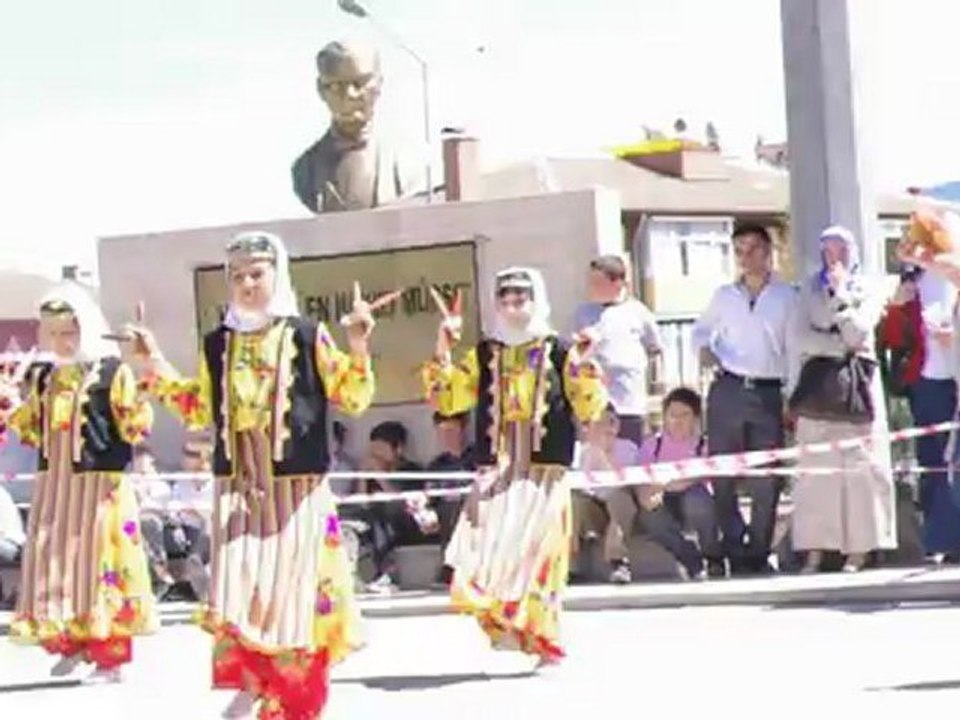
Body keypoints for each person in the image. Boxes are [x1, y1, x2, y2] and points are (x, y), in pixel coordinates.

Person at [127, 230, 376, 720]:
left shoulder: (307, 334)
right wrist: (151, 362)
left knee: (292, 592)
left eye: (256, 274)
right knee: (239, 583)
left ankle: (285, 690)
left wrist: (359, 344)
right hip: (240, 482)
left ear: (277, 275)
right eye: (237, 276)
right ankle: (251, 680)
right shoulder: (218, 343)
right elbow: (198, 404)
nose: (246, 284)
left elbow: (352, 396)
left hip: (296, 486)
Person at [421, 266, 607, 666]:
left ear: (536, 298)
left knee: (540, 556)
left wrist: (586, 363)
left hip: (544, 472)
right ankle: (509, 627)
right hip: (499, 472)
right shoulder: (485, 353)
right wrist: (443, 346)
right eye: (504, 297)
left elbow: (588, 405)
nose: (511, 304)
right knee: (483, 552)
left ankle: (545, 638)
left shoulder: (560, 351)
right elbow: (448, 401)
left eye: (520, 296)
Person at [0, 282, 157, 683]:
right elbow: (33, 430)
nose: (60, 341)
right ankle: (71, 641)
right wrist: (10, 405)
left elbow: (136, 426)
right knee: (57, 564)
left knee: (103, 565)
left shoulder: (110, 372)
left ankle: (110, 656)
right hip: (57, 483)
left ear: (85, 328)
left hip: (99, 483)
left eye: (68, 331)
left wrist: (143, 383)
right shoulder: (43, 378)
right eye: (51, 332)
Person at [788, 225, 896, 573]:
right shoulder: (807, 288)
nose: (833, 257)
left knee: (860, 470)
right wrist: (838, 346)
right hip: (818, 386)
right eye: (827, 250)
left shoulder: (871, 287)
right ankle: (816, 549)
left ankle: (860, 549)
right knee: (816, 472)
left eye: (840, 250)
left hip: (858, 387)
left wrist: (841, 293)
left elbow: (860, 333)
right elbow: (801, 335)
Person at [692, 223, 796, 576]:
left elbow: (794, 348)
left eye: (752, 249)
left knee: (765, 477)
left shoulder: (787, 297)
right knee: (723, 473)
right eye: (739, 251)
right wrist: (705, 349)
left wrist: (790, 395)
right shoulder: (724, 295)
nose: (746, 258)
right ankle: (734, 546)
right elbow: (701, 330)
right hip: (729, 387)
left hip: (768, 390)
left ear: (768, 252)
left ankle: (759, 549)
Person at [879, 265, 960, 562]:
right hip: (928, 381)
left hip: (956, 377)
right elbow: (892, 337)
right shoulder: (913, 279)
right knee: (934, 462)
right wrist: (897, 306)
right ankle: (943, 540)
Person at [573, 254, 663, 445]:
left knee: (629, 455)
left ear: (617, 283)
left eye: (598, 282)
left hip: (628, 401)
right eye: (591, 282)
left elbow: (654, 347)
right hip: (593, 403)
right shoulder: (583, 313)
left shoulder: (638, 312)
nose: (591, 287)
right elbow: (571, 354)